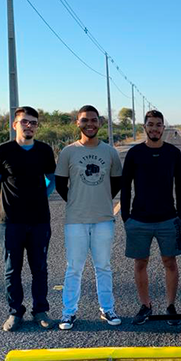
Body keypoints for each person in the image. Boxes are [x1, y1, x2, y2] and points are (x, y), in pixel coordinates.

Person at [0, 106, 56, 332]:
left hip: (38, 219)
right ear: (14, 124)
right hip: (9, 221)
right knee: (11, 269)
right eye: (25, 122)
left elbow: (51, 180)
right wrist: (13, 201)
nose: (29, 126)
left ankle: (41, 311)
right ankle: (15, 312)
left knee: (40, 268)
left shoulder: (44, 151)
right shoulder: (2, 151)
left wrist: (37, 196)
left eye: (33, 123)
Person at [54, 105, 123, 330]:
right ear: (78, 123)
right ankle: (68, 313)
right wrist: (77, 201)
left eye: (94, 120)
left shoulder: (110, 152)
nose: (90, 124)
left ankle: (107, 308)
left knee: (103, 266)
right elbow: (61, 184)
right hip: (76, 219)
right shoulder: (68, 152)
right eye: (85, 120)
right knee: (74, 267)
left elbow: (116, 183)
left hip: (103, 218)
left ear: (100, 123)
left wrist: (100, 200)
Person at [120, 110, 181, 325]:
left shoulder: (173, 153)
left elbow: (180, 186)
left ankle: (170, 306)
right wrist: (126, 217)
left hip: (168, 219)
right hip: (139, 219)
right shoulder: (134, 153)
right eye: (151, 125)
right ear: (144, 127)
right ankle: (145, 305)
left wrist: (180, 216)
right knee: (141, 263)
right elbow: (126, 187)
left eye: (158, 125)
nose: (155, 128)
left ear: (163, 128)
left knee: (170, 262)